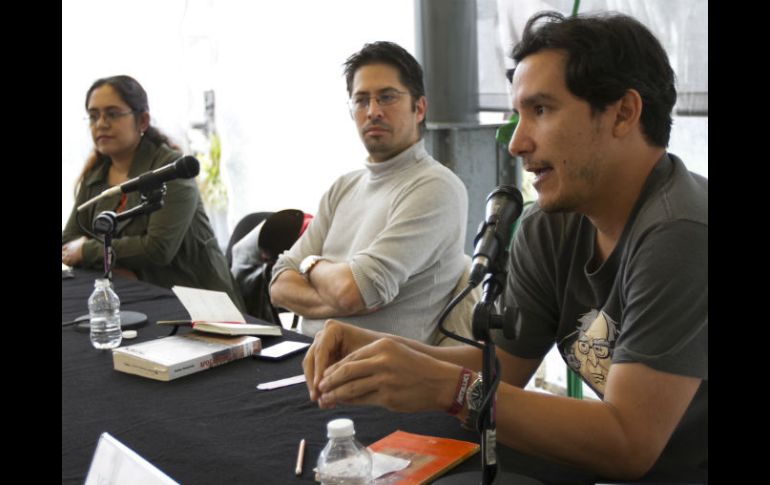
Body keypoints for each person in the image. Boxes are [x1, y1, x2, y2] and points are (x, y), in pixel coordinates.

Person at [301, 12, 707, 484]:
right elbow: (501, 368)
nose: (516, 142)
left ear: (622, 113)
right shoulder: (548, 225)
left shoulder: (682, 232)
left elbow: (628, 443)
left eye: (541, 110)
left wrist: (447, 388)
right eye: (517, 114)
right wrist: (382, 350)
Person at [269, 41, 469, 343]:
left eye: (387, 97)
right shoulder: (344, 186)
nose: (373, 111)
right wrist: (340, 299)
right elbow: (279, 283)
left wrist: (309, 265)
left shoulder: (436, 187)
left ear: (419, 108)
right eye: (361, 100)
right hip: (306, 358)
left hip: (380, 376)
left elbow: (355, 291)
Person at [62, 75, 244, 310]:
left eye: (112, 114)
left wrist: (89, 251)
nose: (101, 124)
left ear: (143, 121)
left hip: (198, 305)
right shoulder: (96, 173)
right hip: (130, 297)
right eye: (93, 115)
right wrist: (115, 267)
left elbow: (158, 248)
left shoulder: (171, 170)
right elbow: (69, 240)